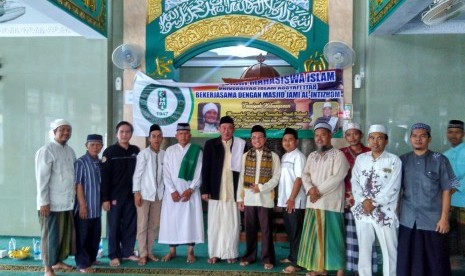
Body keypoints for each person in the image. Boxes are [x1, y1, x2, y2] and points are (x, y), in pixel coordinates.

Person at [397, 123, 458, 276]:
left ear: (429, 139)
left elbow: (448, 189)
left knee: (436, 262)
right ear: (410, 139)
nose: (418, 139)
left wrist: (444, 218)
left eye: (423, 136)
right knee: (408, 261)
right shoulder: (402, 160)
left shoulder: (440, 159)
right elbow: (396, 190)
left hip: (433, 220)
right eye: (414, 136)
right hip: (408, 219)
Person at [297, 122, 349, 276]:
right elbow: (305, 175)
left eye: (323, 135)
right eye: (317, 135)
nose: (319, 138)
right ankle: (321, 269)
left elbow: (338, 177)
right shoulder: (312, 156)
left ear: (330, 136)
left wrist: (317, 191)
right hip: (313, 203)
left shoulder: (338, 155)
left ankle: (340, 269)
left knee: (334, 238)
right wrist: (310, 189)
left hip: (330, 203)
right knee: (316, 238)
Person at [351, 124, 402, 276]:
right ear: (368, 140)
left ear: (386, 141)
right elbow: (355, 182)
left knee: (390, 250)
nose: (375, 142)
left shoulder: (394, 161)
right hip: (363, 212)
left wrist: (373, 203)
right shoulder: (361, 159)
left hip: (384, 213)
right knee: (364, 249)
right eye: (372, 138)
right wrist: (363, 201)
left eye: (380, 138)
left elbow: (393, 187)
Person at [201, 116, 246, 264]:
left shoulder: (241, 145)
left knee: (232, 224)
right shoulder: (210, 144)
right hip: (215, 191)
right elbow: (205, 169)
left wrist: (243, 194)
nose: (226, 131)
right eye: (224, 128)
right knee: (215, 224)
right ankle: (214, 253)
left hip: (233, 192)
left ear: (234, 129)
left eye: (230, 128)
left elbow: (245, 171)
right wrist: (205, 189)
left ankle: (230, 253)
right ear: (219, 129)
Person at [237, 125, 281, 270]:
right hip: (249, 198)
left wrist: (261, 188)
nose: (257, 140)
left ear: (265, 139)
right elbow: (241, 178)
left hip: (265, 198)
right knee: (249, 229)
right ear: (251, 139)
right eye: (254, 137)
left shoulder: (273, 156)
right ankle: (249, 256)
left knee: (266, 230)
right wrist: (240, 198)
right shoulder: (245, 156)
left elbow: (276, 178)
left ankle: (267, 258)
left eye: (260, 137)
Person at [35, 119, 76, 276]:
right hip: (50, 203)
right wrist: (43, 202)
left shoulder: (70, 151)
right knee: (50, 236)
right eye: (62, 130)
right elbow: (41, 180)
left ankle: (58, 262)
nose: (66, 132)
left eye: (68, 130)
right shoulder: (46, 151)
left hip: (67, 202)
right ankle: (48, 268)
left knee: (62, 236)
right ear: (53, 132)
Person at [159, 123, 204, 263]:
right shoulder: (169, 151)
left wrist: (191, 189)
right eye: (180, 133)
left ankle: (190, 251)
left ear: (190, 135)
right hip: (172, 195)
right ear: (176, 135)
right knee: (172, 221)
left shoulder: (197, 150)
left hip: (190, 193)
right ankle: (172, 250)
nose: (183, 136)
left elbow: (199, 173)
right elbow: (165, 173)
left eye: (186, 133)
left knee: (191, 221)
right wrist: (172, 191)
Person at [340, 122, 378, 275]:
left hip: (367, 202)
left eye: (355, 133)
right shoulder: (341, 153)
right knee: (350, 235)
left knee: (367, 236)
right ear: (345, 137)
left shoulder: (371, 152)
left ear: (361, 135)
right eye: (348, 134)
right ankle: (354, 267)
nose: (352, 137)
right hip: (348, 200)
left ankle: (366, 269)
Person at [101, 121, 140, 267]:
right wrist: (105, 198)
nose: (125, 134)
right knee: (114, 226)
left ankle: (128, 252)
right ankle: (114, 255)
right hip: (114, 197)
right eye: (122, 132)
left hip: (131, 195)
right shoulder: (109, 152)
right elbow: (104, 177)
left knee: (130, 225)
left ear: (131, 134)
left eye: (128, 132)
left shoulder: (136, 150)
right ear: (117, 134)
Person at [132, 124, 164, 266]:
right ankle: (142, 253)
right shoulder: (143, 154)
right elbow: (137, 175)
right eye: (153, 136)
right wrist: (136, 192)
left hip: (158, 196)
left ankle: (149, 251)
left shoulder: (164, 154)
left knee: (153, 226)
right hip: (144, 195)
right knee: (142, 225)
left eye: (159, 136)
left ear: (162, 137)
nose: (156, 139)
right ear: (149, 138)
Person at [278, 128, 306, 274]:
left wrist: (292, 198)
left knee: (296, 232)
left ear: (296, 141)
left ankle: (297, 263)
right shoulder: (284, 157)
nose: (287, 142)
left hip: (295, 201)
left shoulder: (299, 156)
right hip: (285, 200)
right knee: (290, 230)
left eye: (290, 140)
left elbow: (299, 179)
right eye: (285, 140)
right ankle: (291, 256)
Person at [74, 134, 104, 273]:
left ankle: (91, 259)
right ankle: (82, 264)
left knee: (95, 236)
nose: (95, 147)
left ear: (102, 146)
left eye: (98, 144)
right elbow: (78, 184)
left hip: (96, 209)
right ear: (86, 145)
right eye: (92, 144)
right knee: (83, 237)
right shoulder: (80, 162)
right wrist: (83, 205)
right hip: (84, 208)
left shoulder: (99, 162)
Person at [444, 120, 465, 256]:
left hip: (463, 202)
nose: (453, 135)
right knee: (450, 238)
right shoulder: (444, 154)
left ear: (463, 134)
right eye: (451, 132)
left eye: (457, 132)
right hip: (449, 203)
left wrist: (455, 187)